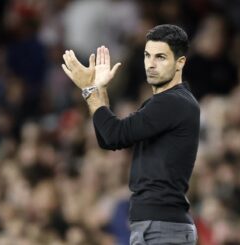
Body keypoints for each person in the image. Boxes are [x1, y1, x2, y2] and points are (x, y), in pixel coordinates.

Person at [62, 24, 199, 245]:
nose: (151, 64)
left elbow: (116, 135)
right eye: (148, 56)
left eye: (161, 57)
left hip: (162, 228)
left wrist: (89, 90)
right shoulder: (166, 102)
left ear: (180, 62)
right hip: (154, 226)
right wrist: (100, 88)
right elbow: (108, 138)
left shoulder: (173, 102)